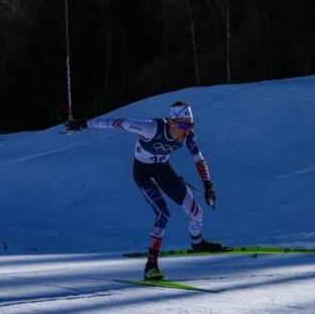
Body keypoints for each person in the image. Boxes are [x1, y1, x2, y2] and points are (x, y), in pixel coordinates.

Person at [64, 101, 223, 281]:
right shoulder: (151, 128)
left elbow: (199, 159)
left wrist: (208, 186)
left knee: (196, 211)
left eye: (191, 125)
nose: (188, 130)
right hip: (143, 173)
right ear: (171, 122)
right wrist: (84, 124)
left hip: (163, 171)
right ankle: (150, 266)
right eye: (184, 125)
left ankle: (197, 243)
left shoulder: (188, 135)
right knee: (163, 213)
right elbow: (117, 123)